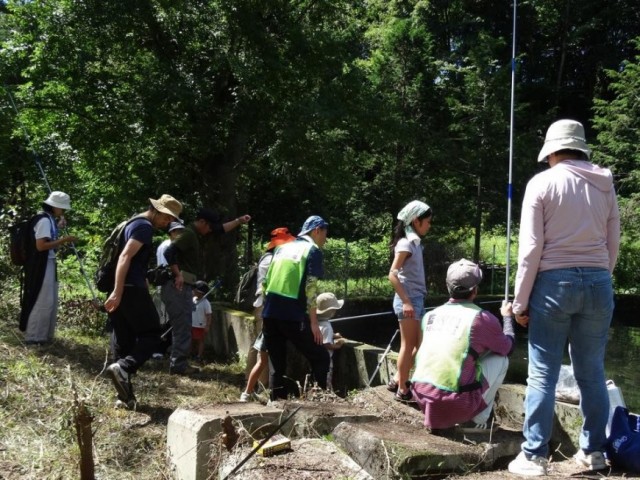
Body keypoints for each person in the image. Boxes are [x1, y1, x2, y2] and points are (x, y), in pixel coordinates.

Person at [507, 119, 620, 476]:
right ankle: (594, 453)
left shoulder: (541, 183)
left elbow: (530, 251)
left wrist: (519, 302)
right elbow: (612, 240)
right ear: (581, 147)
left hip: (553, 284)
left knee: (542, 374)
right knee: (592, 373)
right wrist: (601, 276)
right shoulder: (605, 184)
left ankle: (534, 457)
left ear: (552, 150)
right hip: (599, 281)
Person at [411, 259, 514, 433]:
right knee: (501, 359)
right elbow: (508, 347)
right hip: (454, 403)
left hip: (422, 397)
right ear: (475, 290)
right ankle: (478, 421)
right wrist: (507, 318)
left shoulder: (430, 315)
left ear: (447, 286)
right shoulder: (482, 319)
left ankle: (440, 417)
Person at [104, 194, 183, 409]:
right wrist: (119, 292)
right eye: (166, 218)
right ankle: (124, 367)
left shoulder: (130, 223)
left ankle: (125, 397)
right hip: (129, 289)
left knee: (124, 341)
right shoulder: (144, 227)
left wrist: (116, 290)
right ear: (156, 210)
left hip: (122, 287)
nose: (167, 223)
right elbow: (125, 257)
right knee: (153, 335)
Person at [162, 208, 251, 375]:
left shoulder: (198, 232)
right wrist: (178, 274)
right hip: (178, 286)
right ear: (202, 222)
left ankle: (179, 363)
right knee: (182, 326)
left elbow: (220, 229)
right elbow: (169, 252)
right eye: (209, 227)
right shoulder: (188, 234)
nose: (211, 231)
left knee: (184, 324)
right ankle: (178, 366)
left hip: (185, 286)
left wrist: (239, 220)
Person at [262, 215, 331, 400]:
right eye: (325, 233)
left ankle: (276, 402)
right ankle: (319, 401)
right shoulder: (312, 250)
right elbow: (311, 288)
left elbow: (265, 281)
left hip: (269, 312)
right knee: (321, 357)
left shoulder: (281, 248)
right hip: (291, 314)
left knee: (277, 364)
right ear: (317, 230)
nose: (326, 238)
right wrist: (314, 323)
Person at [240, 227, 296, 402]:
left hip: (265, 307)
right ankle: (260, 385)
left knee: (259, 346)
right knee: (263, 348)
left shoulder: (268, 257)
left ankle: (252, 384)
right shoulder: (272, 259)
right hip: (266, 308)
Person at [387, 200, 432, 402]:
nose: (429, 225)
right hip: (409, 300)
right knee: (408, 345)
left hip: (417, 299)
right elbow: (392, 275)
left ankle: (398, 378)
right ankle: (403, 389)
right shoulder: (405, 243)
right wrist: (406, 301)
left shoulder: (414, 243)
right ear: (416, 220)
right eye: (427, 221)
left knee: (420, 344)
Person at [20, 191, 77, 345]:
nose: (63, 211)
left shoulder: (49, 219)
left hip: (46, 263)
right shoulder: (44, 221)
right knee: (42, 299)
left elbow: (47, 237)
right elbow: (41, 246)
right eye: (62, 208)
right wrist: (64, 240)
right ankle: (34, 337)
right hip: (40, 264)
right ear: (55, 206)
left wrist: (58, 227)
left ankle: (43, 335)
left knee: (49, 299)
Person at [151, 221, 185, 359]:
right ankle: (158, 349)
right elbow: (170, 266)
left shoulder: (163, 245)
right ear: (171, 232)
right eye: (177, 231)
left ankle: (163, 349)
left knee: (165, 319)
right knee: (165, 320)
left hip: (163, 285)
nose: (180, 234)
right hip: (167, 285)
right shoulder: (170, 246)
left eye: (181, 231)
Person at [316, 292, 346, 391]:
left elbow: (321, 335)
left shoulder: (316, 322)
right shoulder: (327, 326)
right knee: (327, 380)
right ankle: (328, 392)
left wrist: (333, 335)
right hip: (326, 361)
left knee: (317, 380)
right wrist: (338, 345)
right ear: (331, 312)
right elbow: (326, 344)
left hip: (316, 358)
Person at [190, 280, 212, 363]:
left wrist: (207, 326)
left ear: (200, 292)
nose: (193, 291)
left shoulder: (206, 303)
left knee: (200, 341)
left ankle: (199, 356)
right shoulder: (193, 299)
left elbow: (209, 315)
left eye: (194, 290)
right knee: (191, 340)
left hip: (200, 325)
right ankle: (191, 353)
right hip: (192, 324)